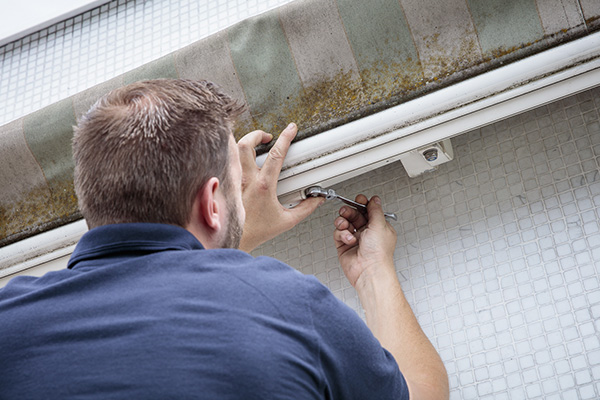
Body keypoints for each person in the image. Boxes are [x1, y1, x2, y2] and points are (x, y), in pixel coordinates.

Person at [0, 79, 448, 399]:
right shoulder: (289, 304)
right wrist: (373, 270)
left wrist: (223, 246)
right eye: (236, 183)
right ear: (212, 203)